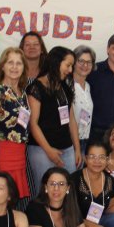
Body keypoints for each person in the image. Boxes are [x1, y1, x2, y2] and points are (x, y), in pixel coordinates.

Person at [26, 46, 81, 197]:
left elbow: (71, 120)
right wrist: (48, 150)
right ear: (56, 62)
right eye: (68, 65)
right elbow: (33, 124)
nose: (70, 70)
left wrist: (76, 148)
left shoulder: (65, 87)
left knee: (68, 193)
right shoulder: (35, 88)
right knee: (44, 192)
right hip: (41, 150)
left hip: (67, 148)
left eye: (71, 66)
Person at [0, 47, 31, 207]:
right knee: (1, 198)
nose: (15, 67)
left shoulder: (23, 93)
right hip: (3, 152)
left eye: (19, 63)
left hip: (19, 153)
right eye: (10, 63)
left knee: (12, 200)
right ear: (2, 66)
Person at [72, 45, 96, 154]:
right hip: (70, 142)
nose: (85, 65)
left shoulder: (88, 86)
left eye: (89, 62)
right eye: (81, 61)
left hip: (84, 141)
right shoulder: (68, 85)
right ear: (74, 62)